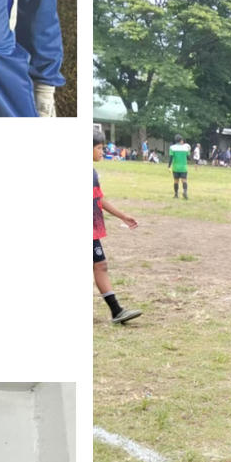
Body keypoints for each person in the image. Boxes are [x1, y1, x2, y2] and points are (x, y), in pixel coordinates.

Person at [93, 126, 144, 323]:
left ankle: (116, 311)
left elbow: (99, 198)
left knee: (101, 265)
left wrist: (122, 215)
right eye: (99, 148)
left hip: (92, 228)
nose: (102, 152)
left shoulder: (92, 173)